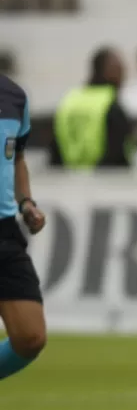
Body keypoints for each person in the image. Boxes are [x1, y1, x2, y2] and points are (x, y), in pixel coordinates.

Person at [0, 74, 47, 383]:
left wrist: (26, 202)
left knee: (30, 338)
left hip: (5, 230)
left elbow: (16, 157)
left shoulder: (14, 95)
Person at [48, 48, 136, 169]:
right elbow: (118, 155)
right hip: (103, 182)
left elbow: (54, 149)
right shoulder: (110, 105)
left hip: (68, 181)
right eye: (120, 69)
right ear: (107, 72)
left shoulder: (70, 100)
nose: (124, 75)